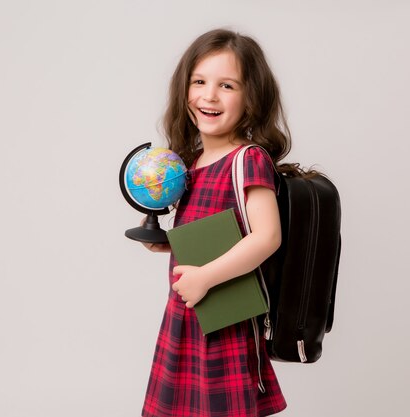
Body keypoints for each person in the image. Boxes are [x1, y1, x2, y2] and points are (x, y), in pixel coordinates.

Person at [141, 28, 295, 417]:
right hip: (186, 317)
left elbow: (267, 237)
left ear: (252, 98)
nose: (209, 96)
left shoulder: (247, 160)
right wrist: (171, 243)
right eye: (199, 82)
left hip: (222, 323)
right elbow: (214, 232)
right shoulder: (189, 164)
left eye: (227, 85)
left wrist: (206, 277)